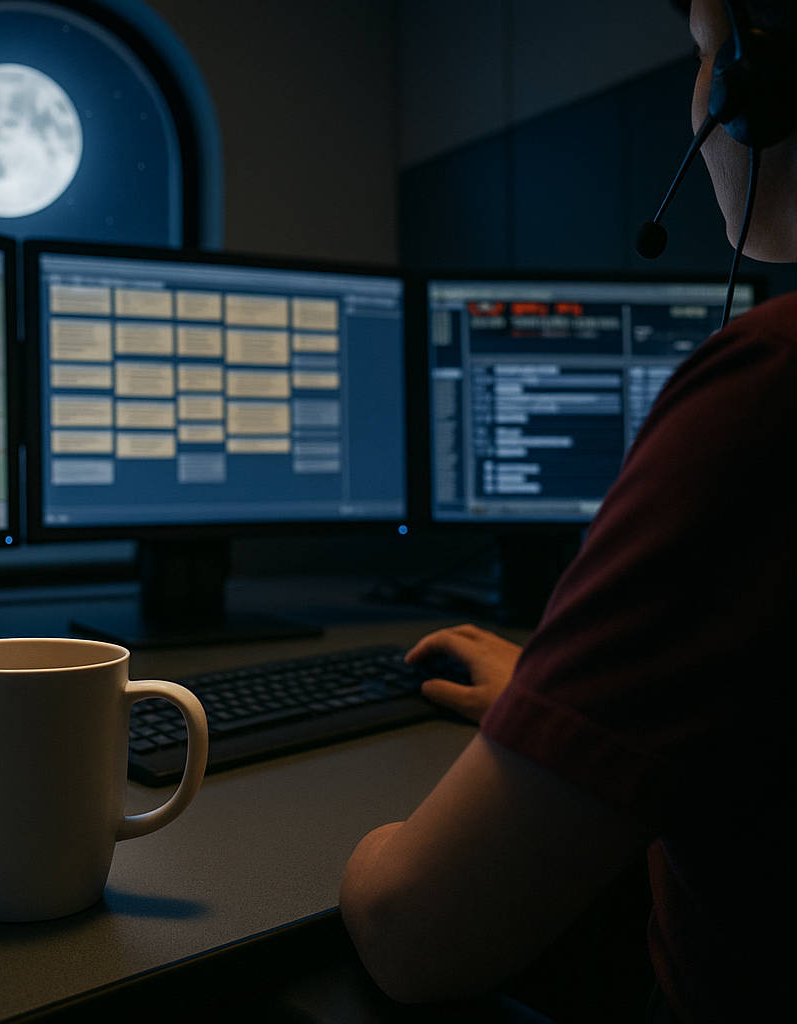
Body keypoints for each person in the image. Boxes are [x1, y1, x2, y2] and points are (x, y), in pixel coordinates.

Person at [338, 2, 797, 1022]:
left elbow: (416, 930)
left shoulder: (768, 386)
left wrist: (352, 847)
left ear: (750, 83)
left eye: (698, 54)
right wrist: (564, 708)